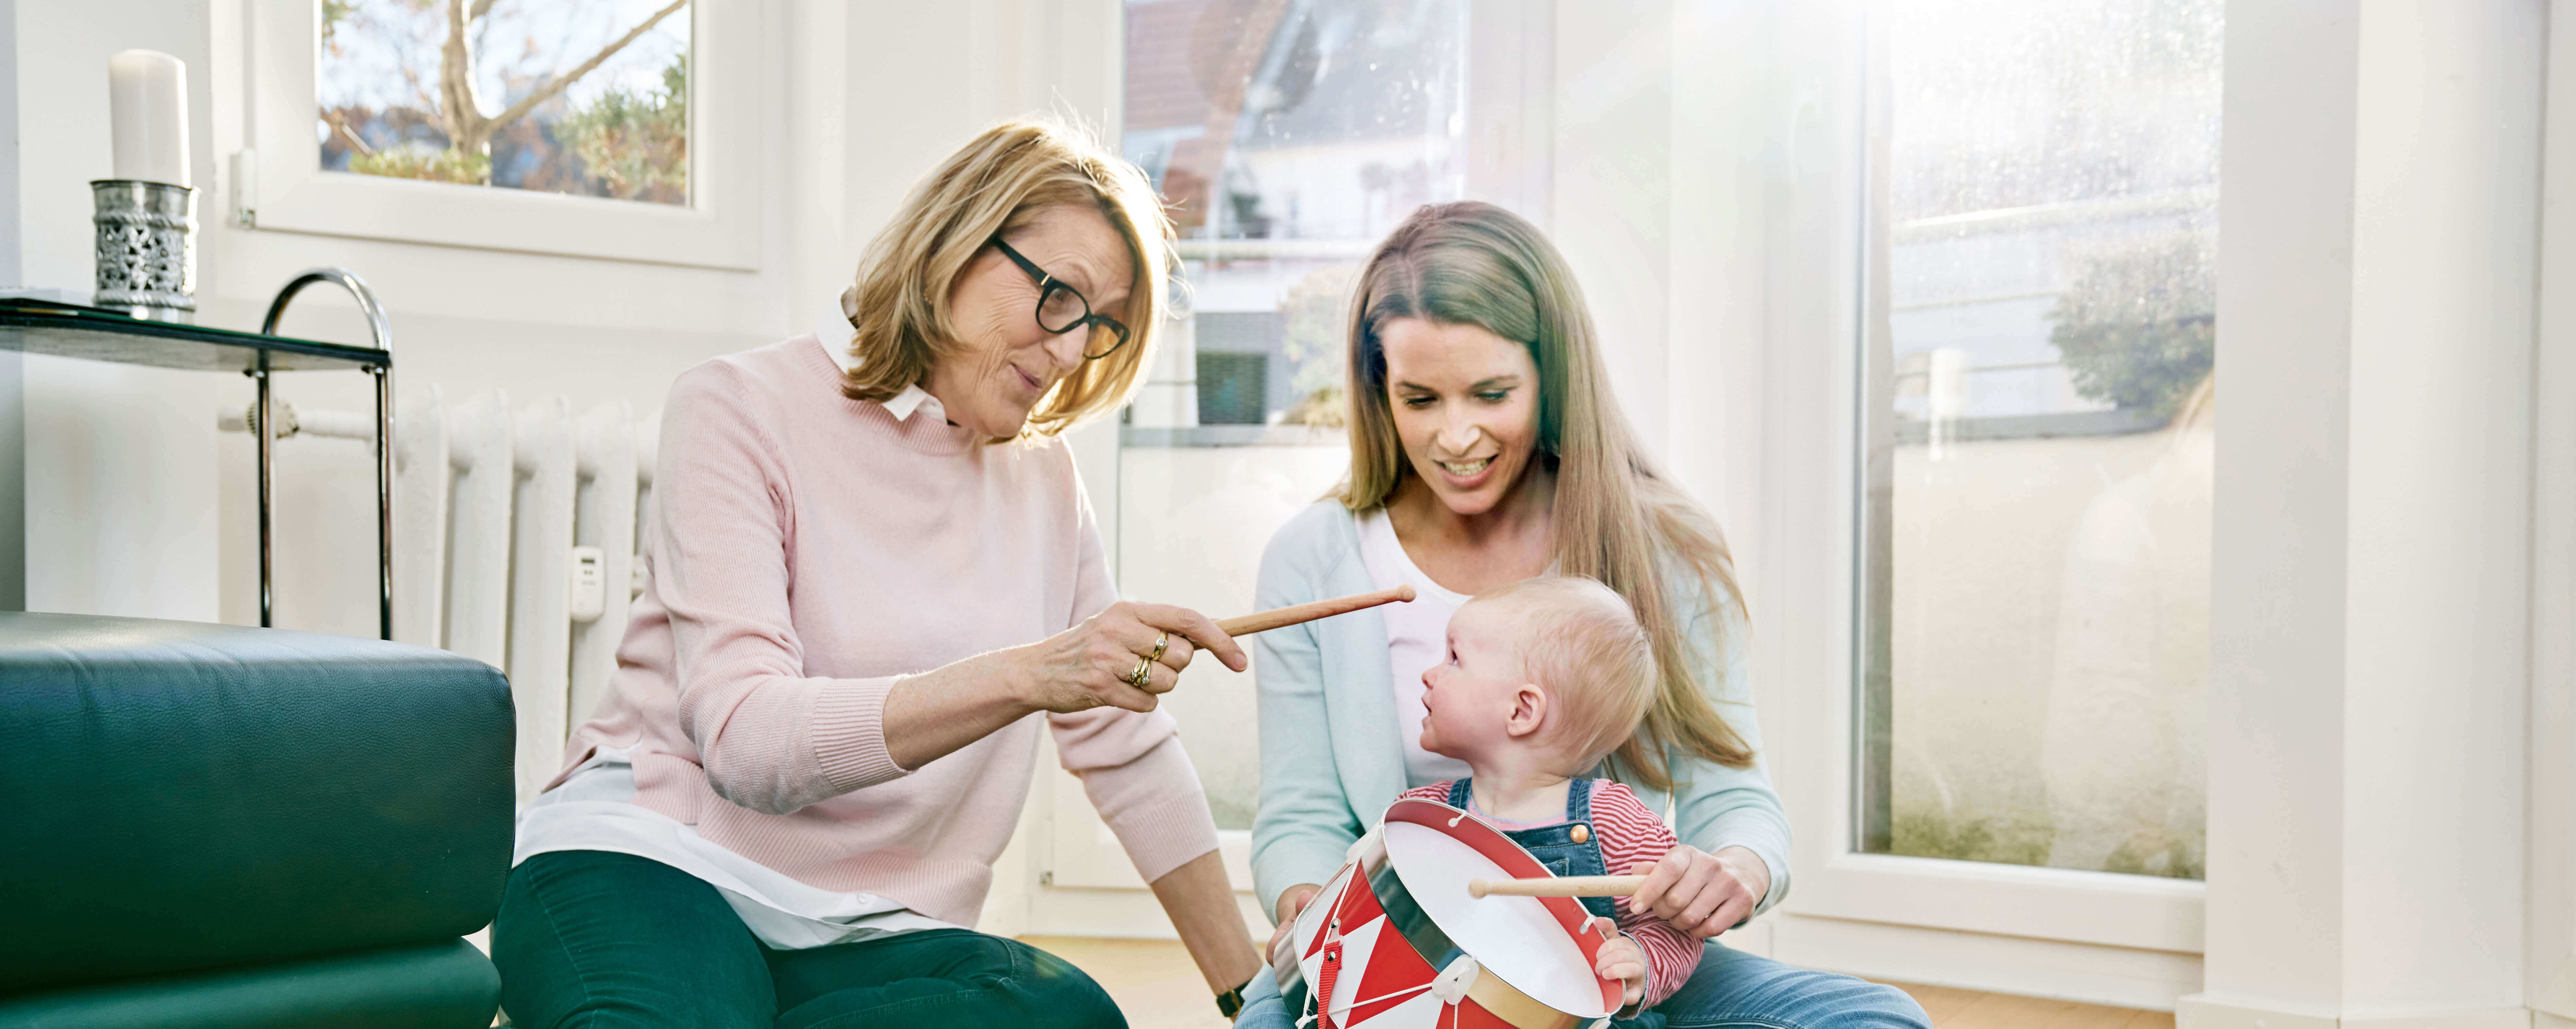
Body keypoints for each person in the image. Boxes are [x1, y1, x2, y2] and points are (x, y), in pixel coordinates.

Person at [490, 119, 1263, 1029]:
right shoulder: (737, 406)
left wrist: (1254, 997)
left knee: (1068, 1016)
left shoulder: (1045, 481)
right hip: (659, 860)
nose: (1066, 351)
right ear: (955, 244)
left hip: (871, 929)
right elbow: (744, 741)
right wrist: (1027, 673)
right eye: (1061, 297)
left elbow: (1123, 746)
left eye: (1100, 328)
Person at [1242, 201, 1930, 1027]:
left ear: (1553, 376)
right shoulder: (1316, 556)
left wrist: (1733, 871)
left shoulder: (1662, 543)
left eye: (1492, 392)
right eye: (1420, 398)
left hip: (1595, 962)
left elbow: (1732, 793)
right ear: (1377, 390)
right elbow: (1302, 815)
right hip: (1383, 944)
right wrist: (1324, 914)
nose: (1456, 436)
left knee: (1874, 1019)